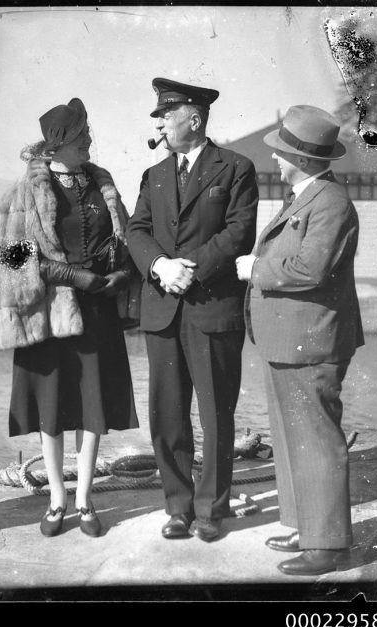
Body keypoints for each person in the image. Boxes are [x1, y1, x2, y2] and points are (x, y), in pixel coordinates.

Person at [0, 98, 139, 537]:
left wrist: (121, 273)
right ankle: (57, 499)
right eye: (82, 136)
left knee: (94, 408)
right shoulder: (19, 197)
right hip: (49, 319)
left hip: (98, 316)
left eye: (88, 133)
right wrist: (80, 278)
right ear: (58, 144)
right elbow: (14, 262)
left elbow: (124, 241)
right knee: (50, 413)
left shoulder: (103, 186)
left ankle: (85, 498)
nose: (90, 141)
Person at [126, 78, 258, 542]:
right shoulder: (154, 175)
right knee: (167, 413)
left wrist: (192, 269)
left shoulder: (236, 168)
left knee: (216, 413)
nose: (160, 122)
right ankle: (178, 507)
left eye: (166, 114)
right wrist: (161, 266)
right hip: (163, 309)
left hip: (211, 308)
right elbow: (136, 231)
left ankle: (211, 510)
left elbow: (240, 234)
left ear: (193, 118)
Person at [236, 105, 364, 575]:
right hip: (288, 339)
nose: (274, 158)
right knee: (292, 441)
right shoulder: (306, 195)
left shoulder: (329, 202)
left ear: (304, 160)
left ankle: (328, 546)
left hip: (310, 342)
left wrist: (255, 269)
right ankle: (305, 528)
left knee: (316, 440)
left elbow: (311, 269)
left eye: (281, 152)